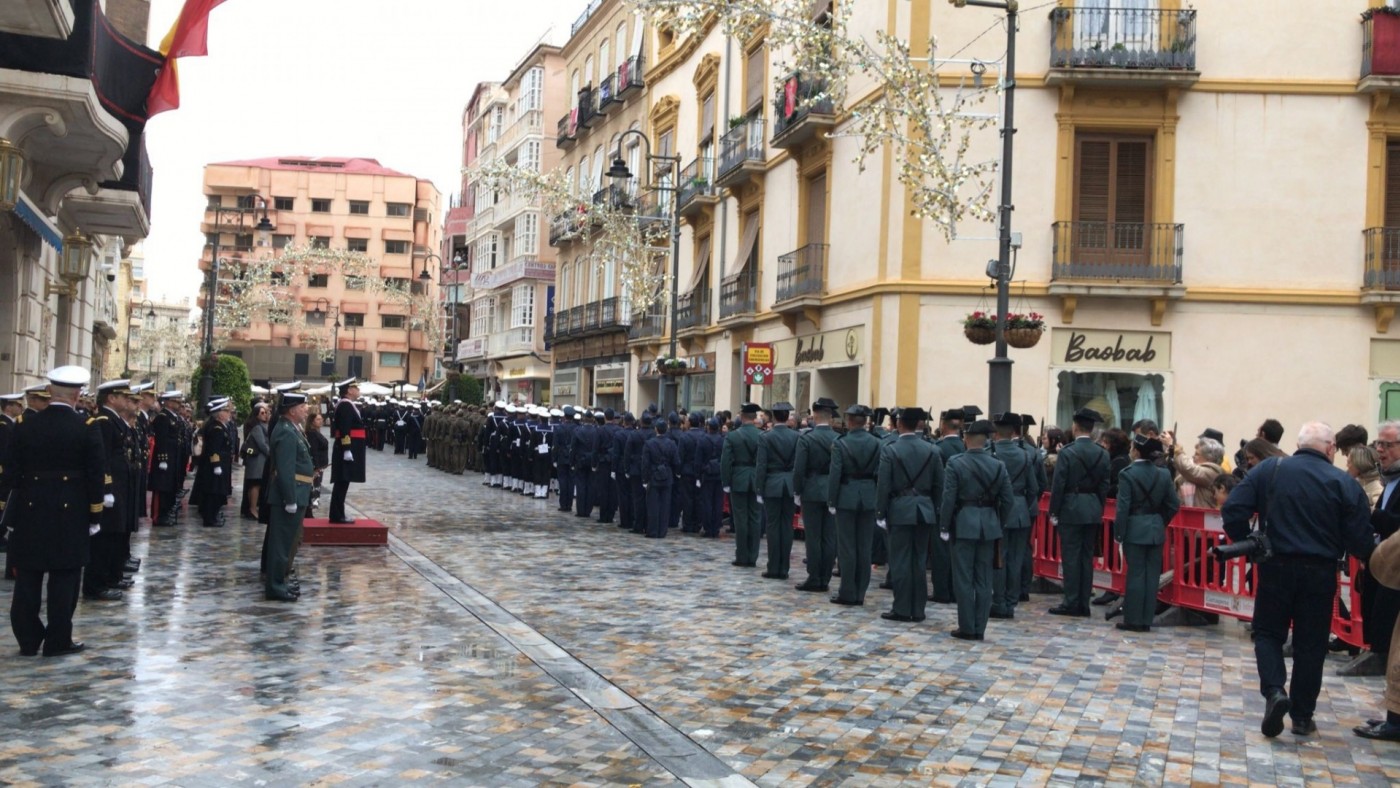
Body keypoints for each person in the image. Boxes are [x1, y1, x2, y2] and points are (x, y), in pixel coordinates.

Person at [1221, 421, 1374, 738]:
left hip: (1275, 564)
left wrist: (1249, 543)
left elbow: (1233, 507)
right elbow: (1361, 541)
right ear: (1331, 448)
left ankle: (1275, 691)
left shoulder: (1271, 470)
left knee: (1267, 633)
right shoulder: (1344, 483)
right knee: (1311, 643)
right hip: (1320, 571)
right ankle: (1302, 716)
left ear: (1300, 443)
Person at [1, 366, 105, 657]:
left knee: (28, 578)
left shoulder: (24, 424)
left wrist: (9, 512)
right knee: (65, 577)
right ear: (77, 394)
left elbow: (10, 472)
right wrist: (95, 515)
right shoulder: (87, 426)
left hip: (30, 508)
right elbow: (96, 475)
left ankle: (28, 639)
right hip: (71, 511)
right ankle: (58, 640)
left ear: (49, 392)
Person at [940, 419, 1014, 641]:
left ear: (966, 440)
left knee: (963, 578)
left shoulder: (956, 463)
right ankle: (979, 627)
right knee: (984, 579)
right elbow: (1008, 500)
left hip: (963, 524)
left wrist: (944, 525)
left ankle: (967, 627)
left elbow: (949, 498)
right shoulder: (997, 465)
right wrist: (997, 523)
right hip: (989, 525)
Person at [876, 407, 944, 623]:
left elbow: (883, 484)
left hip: (900, 509)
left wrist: (881, 511)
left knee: (900, 561)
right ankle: (918, 608)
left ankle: (902, 607)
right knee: (919, 560)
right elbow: (939, 486)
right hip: (924, 510)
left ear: (899, 424)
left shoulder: (891, 449)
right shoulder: (932, 450)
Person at [1113, 435, 1180, 633]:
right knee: (1151, 577)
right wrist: (1160, 520)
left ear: (1136, 451)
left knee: (1135, 575)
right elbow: (1174, 504)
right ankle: (1146, 619)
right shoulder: (1164, 474)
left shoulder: (1128, 474)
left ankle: (1133, 619)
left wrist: (1119, 532)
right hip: (1155, 528)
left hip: (1135, 528)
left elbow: (1122, 507)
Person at [1048, 407, 1110, 618]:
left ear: (1075, 427)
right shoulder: (1102, 453)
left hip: (1071, 508)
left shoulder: (1067, 452)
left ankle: (1071, 601)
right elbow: (1104, 485)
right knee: (1086, 557)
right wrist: (1097, 507)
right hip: (1092, 508)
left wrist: (1054, 511)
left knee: (1071, 557)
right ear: (1092, 430)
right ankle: (1084, 602)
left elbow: (1059, 485)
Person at [83, 380, 135, 602]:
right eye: (123, 396)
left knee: (114, 535)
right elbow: (101, 459)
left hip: (119, 487)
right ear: (111, 398)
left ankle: (110, 577)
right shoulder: (104, 421)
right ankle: (96, 585)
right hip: (110, 487)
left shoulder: (114, 420)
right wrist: (106, 488)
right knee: (103, 539)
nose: (127, 400)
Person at [828, 404, 882, 606]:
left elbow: (835, 475)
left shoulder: (840, 443)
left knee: (847, 547)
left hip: (846, 496)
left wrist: (832, 500)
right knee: (864, 546)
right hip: (869, 496)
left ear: (849, 421)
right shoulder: (878, 443)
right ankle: (860, 592)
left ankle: (847, 591)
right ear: (866, 422)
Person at [265, 392, 314, 602]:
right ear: (292, 410)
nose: (307, 410)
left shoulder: (291, 428)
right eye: (303, 407)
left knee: (287, 542)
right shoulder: (286, 432)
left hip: (297, 490)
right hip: (290, 494)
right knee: (281, 544)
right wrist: (290, 499)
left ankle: (280, 582)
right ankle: (275, 586)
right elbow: (285, 469)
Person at [991, 412, 1036, 619]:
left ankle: (998, 601)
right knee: (1015, 560)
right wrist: (1022, 506)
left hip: (997, 510)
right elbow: (1033, 488)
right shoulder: (1025, 455)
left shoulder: (990, 452)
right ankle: (1011, 601)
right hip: (1019, 511)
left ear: (996, 432)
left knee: (998, 559)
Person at [793, 398, 840, 592]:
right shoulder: (838, 439)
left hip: (811, 490)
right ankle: (826, 576)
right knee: (829, 536)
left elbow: (799, 468)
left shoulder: (806, 438)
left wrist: (797, 490)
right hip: (832, 489)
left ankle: (814, 576)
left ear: (814, 415)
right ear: (830, 418)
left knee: (813, 537)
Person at [755, 402, 799, 580]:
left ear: (773, 417)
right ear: (787, 416)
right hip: (789, 483)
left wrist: (759, 488)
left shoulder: (766, 437)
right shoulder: (796, 436)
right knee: (787, 525)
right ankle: (784, 568)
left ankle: (774, 567)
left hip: (772, 483)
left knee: (773, 526)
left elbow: (761, 465)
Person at [721, 403, 764, 567]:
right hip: (756, 478)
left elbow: (726, 462)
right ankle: (753, 556)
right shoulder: (762, 435)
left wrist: (726, 481)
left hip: (738, 479)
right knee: (755, 518)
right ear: (754, 418)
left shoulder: (732, 436)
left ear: (742, 416)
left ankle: (742, 555)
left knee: (740, 519)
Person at [192, 398, 234, 528]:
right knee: (214, 491)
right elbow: (214, 448)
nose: (229, 413)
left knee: (217, 491)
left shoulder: (221, 426)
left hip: (221, 463)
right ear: (220, 413)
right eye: (226, 411)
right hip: (215, 465)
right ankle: (210, 518)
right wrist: (216, 465)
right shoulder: (217, 428)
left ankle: (212, 516)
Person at [329, 378, 366, 524]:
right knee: (342, 482)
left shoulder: (348, 405)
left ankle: (338, 513)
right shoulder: (345, 405)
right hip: (346, 449)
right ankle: (337, 515)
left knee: (343, 482)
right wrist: (346, 449)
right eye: (356, 388)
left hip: (349, 448)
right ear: (349, 390)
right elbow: (345, 429)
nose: (358, 390)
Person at [642, 419, 680, 538]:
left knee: (653, 505)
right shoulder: (672, 444)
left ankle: (653, 530)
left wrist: (644, 479)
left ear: (656, 429)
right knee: (665, 505)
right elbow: (676, 461)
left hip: (653, 476)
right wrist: (676, 473)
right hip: (667, 476)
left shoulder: (649, 443)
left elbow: (645, 464)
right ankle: (662, 531)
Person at [240, 403, 271, 519]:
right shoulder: (257, 427)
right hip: (257, 460)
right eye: (262, 413)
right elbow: (262, 445)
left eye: (265, 413)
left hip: (259, 460)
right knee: (255, 485)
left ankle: (252, 508)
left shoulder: (262, 426)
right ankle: (252, 509)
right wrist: (271, 454)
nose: (264, 415)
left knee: (256, 484)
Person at [305, 410, 329, 514]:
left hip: (321, 464)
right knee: (315, 485)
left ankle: (314, 503)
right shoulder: (312, 434)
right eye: (318, 419)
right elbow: (314, 450)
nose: (321, 421)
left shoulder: (317, 432)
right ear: (312, 421)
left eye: (321, 419)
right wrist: (316, 467)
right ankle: (312, 504)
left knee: (317, 484)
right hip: (317, 465)